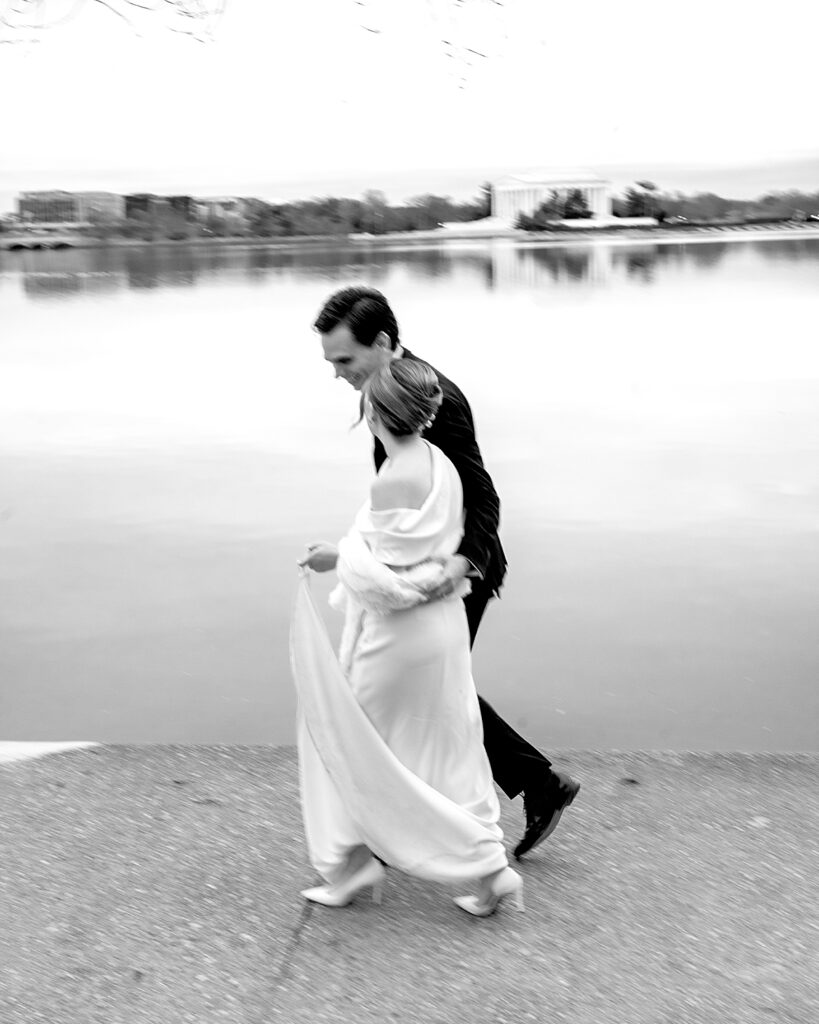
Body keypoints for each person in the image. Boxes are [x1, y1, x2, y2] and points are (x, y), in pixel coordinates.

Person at [311, 286, 580, 859]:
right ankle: (512, 793)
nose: (337, 375)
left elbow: (483, 495)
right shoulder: (392, 391)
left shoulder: (435, 399)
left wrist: (462, 563)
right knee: (432, 688)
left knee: (427, 691)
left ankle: (430, 826)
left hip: (455, 574)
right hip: (420, 572)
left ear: (382, 343)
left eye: (344, 360)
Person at [294, 360, 524, 916]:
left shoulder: (392, 477)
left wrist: (336, 557)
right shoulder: (440, 462)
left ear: (375, 413)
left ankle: (352, 867)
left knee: (342, 742)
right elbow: (418, 561)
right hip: (440, 633)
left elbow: (387, 585)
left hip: (396, 641)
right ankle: (491, 872)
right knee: (449, 749)